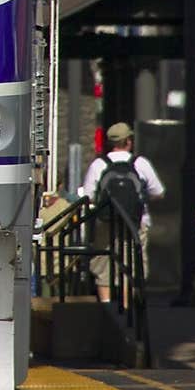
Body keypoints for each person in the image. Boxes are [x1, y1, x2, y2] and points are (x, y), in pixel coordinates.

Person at [81, 122, 165, 303]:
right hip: (136, 221)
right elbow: (158, 192)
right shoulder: (140, 163)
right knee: (132, 265)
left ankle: (106, 306)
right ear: (128, 141)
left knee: (103, 265)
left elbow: (89, 196)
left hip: (106, 221)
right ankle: (127, 308)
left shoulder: (99, 164)